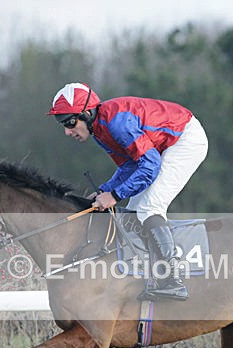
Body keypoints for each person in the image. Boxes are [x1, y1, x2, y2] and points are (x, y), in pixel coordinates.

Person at [47, 82, 208, 301]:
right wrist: (104, 190)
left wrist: (114, 196)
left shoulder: (116, 123)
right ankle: (146, 276)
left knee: (149, 208)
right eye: (63, 125)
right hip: (163, 146)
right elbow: (129, 166)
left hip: (185, 139)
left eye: (70, 122)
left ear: (87, 113)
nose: (67, 131)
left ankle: (172, 281)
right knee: (133, 213)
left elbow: (149, 166)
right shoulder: (100, 130)